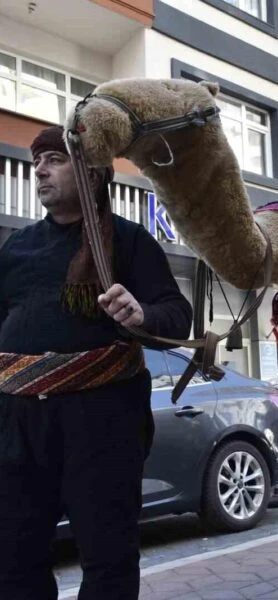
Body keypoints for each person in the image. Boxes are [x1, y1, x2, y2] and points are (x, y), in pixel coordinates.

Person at [0, 126, 193, 600]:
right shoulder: (16, 248)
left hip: (103, 422)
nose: (40, 169)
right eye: (36, 160)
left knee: (108, 558)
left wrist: (142, 313)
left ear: (92, 172)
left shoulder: (129, 241)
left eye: (55, 159)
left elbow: (177, 314)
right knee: (11, 557)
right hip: (18, 423)